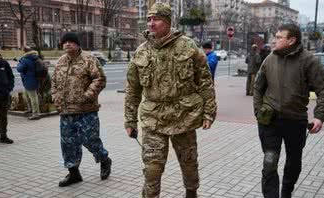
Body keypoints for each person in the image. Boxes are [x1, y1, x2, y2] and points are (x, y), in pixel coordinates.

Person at [124, 3, 217, 198]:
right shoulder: (141, 51)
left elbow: (205, 81)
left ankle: (191, 193)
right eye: (149, 19)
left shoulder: (188, 46)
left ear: (167, 21)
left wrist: (209, 112)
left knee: (189, 164)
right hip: (153, 118)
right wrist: (130, 120)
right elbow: (133, 89)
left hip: (184, 116)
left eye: (155, 19)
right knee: (152, 169)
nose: (151, 23)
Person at [253, 24, 324, 198]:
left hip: (295, 121)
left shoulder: (309, 60)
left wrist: (320, 116)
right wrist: (258, 112)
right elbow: (258, 88)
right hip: (269, 121)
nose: (275, 40)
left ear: (291, 40)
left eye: (279, 37)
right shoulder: (269, 59)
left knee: (293, 163)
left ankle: (286, 193)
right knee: (269, 162)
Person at [51, 32, 112, 187]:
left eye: (70, 42)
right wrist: (56, 98)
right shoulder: (60, 62)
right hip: (66, 111)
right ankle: (73, 173)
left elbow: (100, 79)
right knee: (68, 143)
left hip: (86, 110)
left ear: (77, 44)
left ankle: (104, 160)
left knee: (90, 139)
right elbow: (54, 83)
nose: (67, 45)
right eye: (64, 42)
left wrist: (87, 95)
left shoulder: (88, 59)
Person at [16, 46, 41, 120]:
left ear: (24, 51)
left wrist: (19, 63)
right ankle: (30, 109)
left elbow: (19, 69)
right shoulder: (34, 57)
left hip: (29, 80)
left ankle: (36, 114)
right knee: (26, 95)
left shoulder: (25, 59)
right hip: (34, 79)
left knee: (33, 97)